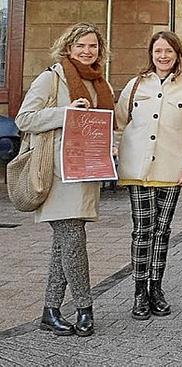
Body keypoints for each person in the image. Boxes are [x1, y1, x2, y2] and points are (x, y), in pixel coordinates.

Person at [16, 23, 114, 337]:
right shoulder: (51, 77)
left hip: (86, 172)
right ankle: (85, 309)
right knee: (73, 242)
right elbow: (24, 118)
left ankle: (50, 311)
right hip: (56, 173)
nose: (87, 51)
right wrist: (65, 112)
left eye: (93, 46)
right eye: (81, 46)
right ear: (68, 48)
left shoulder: (101, 83)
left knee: (64, 245)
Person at [117, 31, 182, 320]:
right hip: (138, 170)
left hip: (171, 170)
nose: (163, 56)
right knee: (142, 230)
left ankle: (156, 287)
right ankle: (139, 291)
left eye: (168, 51)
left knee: (162, 230)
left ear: (178, 54)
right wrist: (113, 154)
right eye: (158, 51)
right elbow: (120, 122)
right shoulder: (136, 84)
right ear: (151, 54)